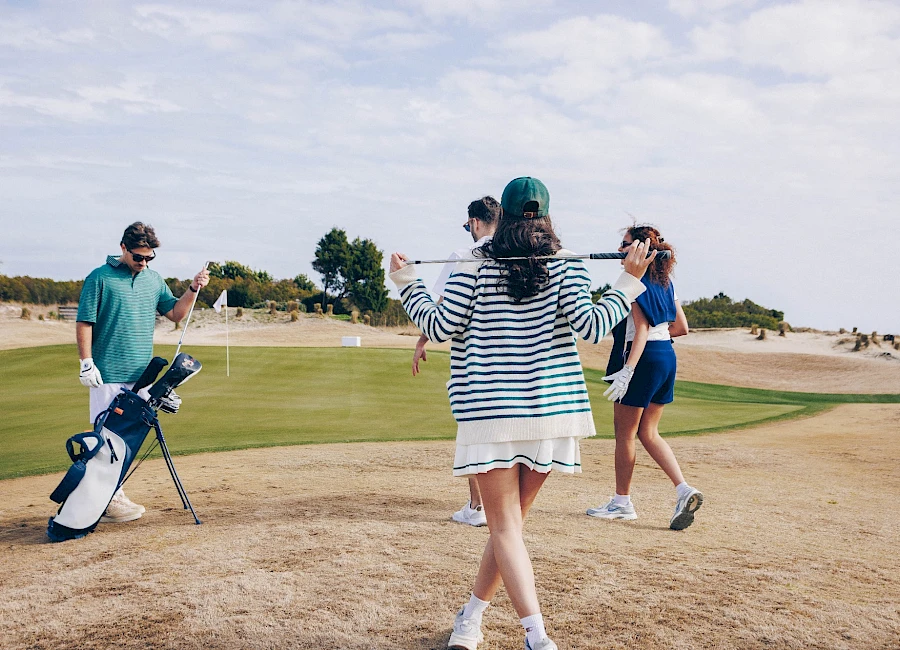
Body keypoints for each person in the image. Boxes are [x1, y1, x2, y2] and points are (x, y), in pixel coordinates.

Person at [389, 177, 655, 650]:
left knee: (506, 528)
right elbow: (594, 328)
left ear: (504, 216)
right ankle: (470, 618)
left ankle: (537, 637)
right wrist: (628, 282)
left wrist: (406, 283)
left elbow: (438, 326)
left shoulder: (477, 263)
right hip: (551, 416)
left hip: (491, 413)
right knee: (507, 528)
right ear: (546, 217)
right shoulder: (565, 265)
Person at [76, 222, 209, 524]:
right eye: (138, 257)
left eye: (149, 258)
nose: (143, 263)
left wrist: (192, 288)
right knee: (108, 438)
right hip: (107, 372)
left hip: (142, 375)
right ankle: (108, 499)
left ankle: (112, 495)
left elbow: (175, 313)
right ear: (123, 248)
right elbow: (84, 322)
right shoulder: (100, 278)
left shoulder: (152, 280)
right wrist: (86, 362)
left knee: (131, 436)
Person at [586, 224, 702, 530]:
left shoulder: (633, 281)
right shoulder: (666, 282)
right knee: (648, 432)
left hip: (641, 358)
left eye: (624, 244)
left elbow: (641, 330)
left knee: (625, 435)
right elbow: (681, 328)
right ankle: (683, 489)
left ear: (638, 249)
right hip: (666, 356)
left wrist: (628, 370)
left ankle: (621, 502)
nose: (620, 249)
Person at [413, 196, 500, 528]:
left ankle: (478, 507)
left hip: (473, 361)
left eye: (468, 226)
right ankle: (488, 505)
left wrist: (424, 338)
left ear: (475, 223)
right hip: (510, 361)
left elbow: (442, 309)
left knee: (474, 431)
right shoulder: (514, 254)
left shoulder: (463, 257)